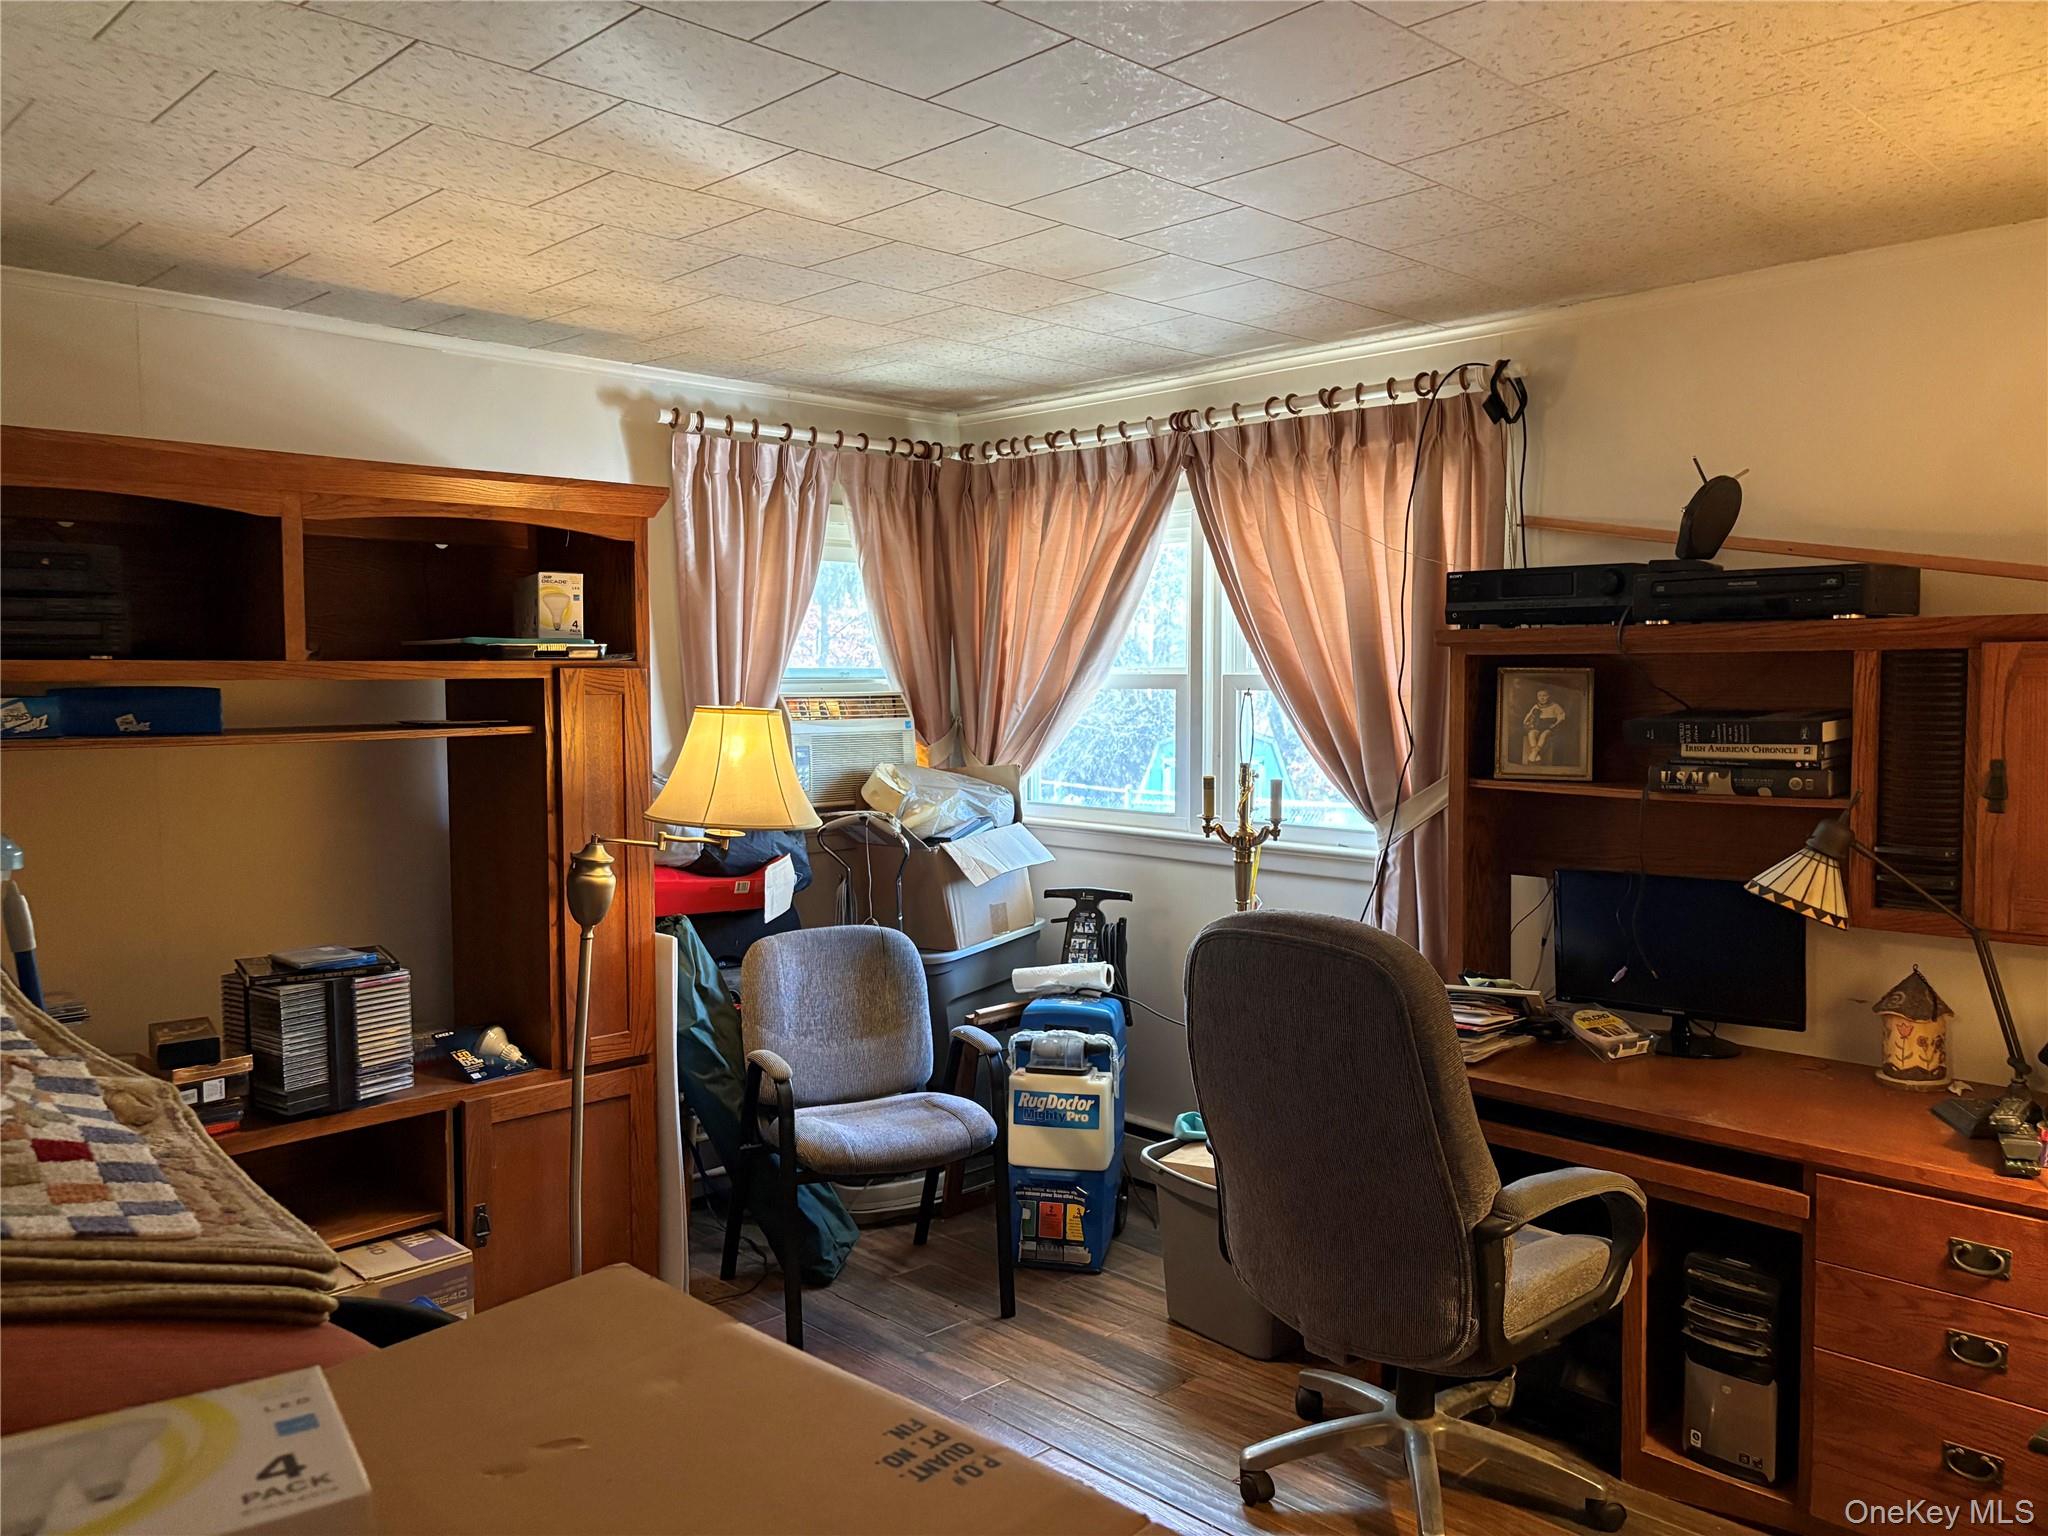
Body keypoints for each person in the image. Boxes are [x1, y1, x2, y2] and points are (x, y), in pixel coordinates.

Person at [1523, 687, 1567, 765]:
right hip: (1539, 726)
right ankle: (1536, 755)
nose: (1542, 698)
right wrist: (1528, 723)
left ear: (1549, 696)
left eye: (1544, 695)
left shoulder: (1555, 706)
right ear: (1537, 697)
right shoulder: (1536, 706)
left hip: (1550, 727)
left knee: (1544, 734)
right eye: (1540, 696)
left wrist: (1555, 724)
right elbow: (1530, 715)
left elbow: (1561, 716)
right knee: (1531, 733)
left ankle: (1533, 754)